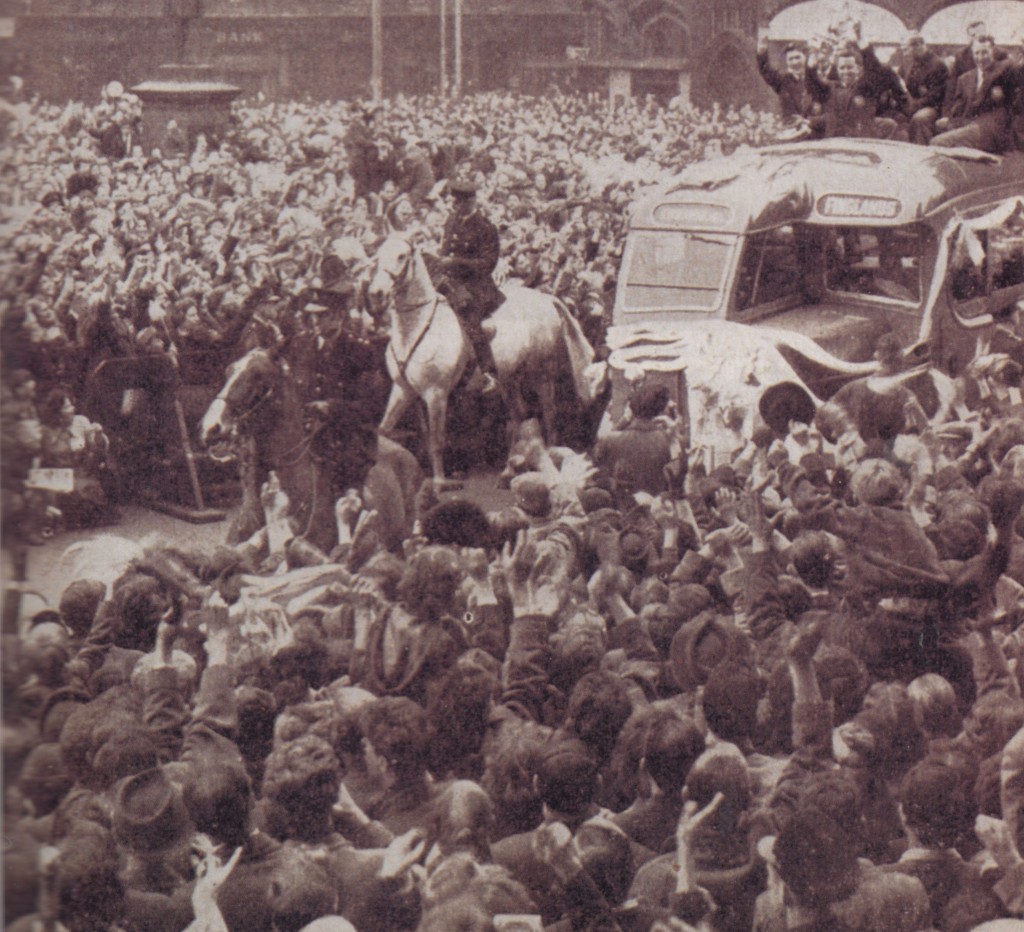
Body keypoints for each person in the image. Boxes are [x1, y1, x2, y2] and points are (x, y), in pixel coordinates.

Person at [438, 179, 503, 394]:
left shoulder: (486, 227)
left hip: (477, 285)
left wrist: (455, 263)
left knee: (470, 321)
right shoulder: (451, 221)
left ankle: (488, 372)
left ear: (471, 201)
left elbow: (487, 264)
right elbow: (444, 250)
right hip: (451, 282)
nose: (456, 207)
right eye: (455, 203)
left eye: (460, 203)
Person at [932, 35, 1014, 152]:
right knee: (937, 136)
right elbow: (958, 108)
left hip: (991, 128)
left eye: (985, 52)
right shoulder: (964, 79)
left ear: (994, 51)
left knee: (938, 142)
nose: (980, 58)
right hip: (969, 124)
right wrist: (949, 119)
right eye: (976, 53)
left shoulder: (1004, 69)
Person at [756, 34, 829, 135]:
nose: (795, 62)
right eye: (790, 59)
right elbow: (766, 71)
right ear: (786, 62)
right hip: (791, 133)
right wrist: (762, 52)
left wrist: (811, 122)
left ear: (805, 58)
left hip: (816, 135)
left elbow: (830, 113)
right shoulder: (783, 81)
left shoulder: (818, 81)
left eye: (798, 57)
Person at [900, 32, 950, 144]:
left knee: (920, 119)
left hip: (933, 108)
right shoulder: (908, 63)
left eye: (906, 50)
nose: (904, 54)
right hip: (911, 104)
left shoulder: (937, 65)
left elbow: (935, 97)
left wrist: (913, 106)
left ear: (918, 46)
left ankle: (921, 151)